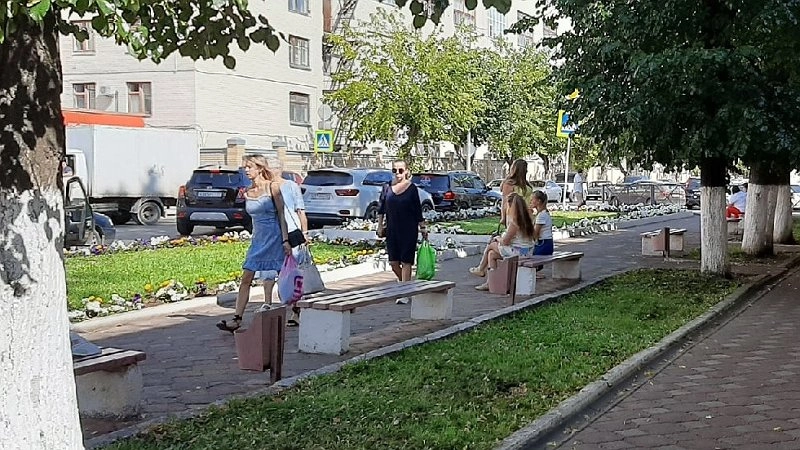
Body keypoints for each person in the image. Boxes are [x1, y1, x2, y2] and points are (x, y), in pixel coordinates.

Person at [217, 155, 291, 332]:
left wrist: (285, 239)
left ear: (260, 168)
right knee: (246, 277)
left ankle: (296, 310)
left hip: (275, 237)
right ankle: (237, 318)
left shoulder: (272, 187)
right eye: (245, 167)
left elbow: (282, 214)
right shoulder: (247, 191)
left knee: (285, 277)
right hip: (258, 239)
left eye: (249, 167)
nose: (246, 170)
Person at [377, 160, 428, 304]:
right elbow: (381, 208)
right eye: (394, 170)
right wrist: (380, 226)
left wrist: (422, 227)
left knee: (406, 261)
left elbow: (417, 210)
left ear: (406, 171)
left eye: (400, 170)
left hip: (409, 229)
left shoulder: (412, 189)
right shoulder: (387, 187)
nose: (397, 173)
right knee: (393, 262)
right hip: (392, 229)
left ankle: (405, 293)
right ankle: (405, 285)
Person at [267, 158, 308, 327]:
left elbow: (300, 210)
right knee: (269, 272)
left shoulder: (291, 186)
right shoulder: (264, 187)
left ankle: (296, 310)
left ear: (278, 169)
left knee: (293, 273)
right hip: (271, 234)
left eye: (268, 168)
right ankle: (267, 306)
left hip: (291, 232)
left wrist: (305, 233)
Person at [470, 192, 535, 291]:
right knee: (491, 254)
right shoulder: (527, 219)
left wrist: (497, 238)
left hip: (519, 253)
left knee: (492, 245)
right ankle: (490, 283)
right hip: (527, 251)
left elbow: (505, 242)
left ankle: (481, 268)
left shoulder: (515, 222)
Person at [500, 159, 533, 225]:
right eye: (525, 168)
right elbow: (505, 201)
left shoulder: (526, 183)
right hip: (515, 214)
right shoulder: (509, 184)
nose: (527, 171)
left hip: (527, 214)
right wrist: (503, 217)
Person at [531, 189, 554, 278]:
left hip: (543, 245)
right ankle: (535, 270)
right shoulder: (543, 213)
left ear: (538, 201)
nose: (531, 201)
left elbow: (535, 234)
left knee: (525, 253)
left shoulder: (541, 215)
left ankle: (534, 271)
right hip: (547, 243)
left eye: (532, 199)